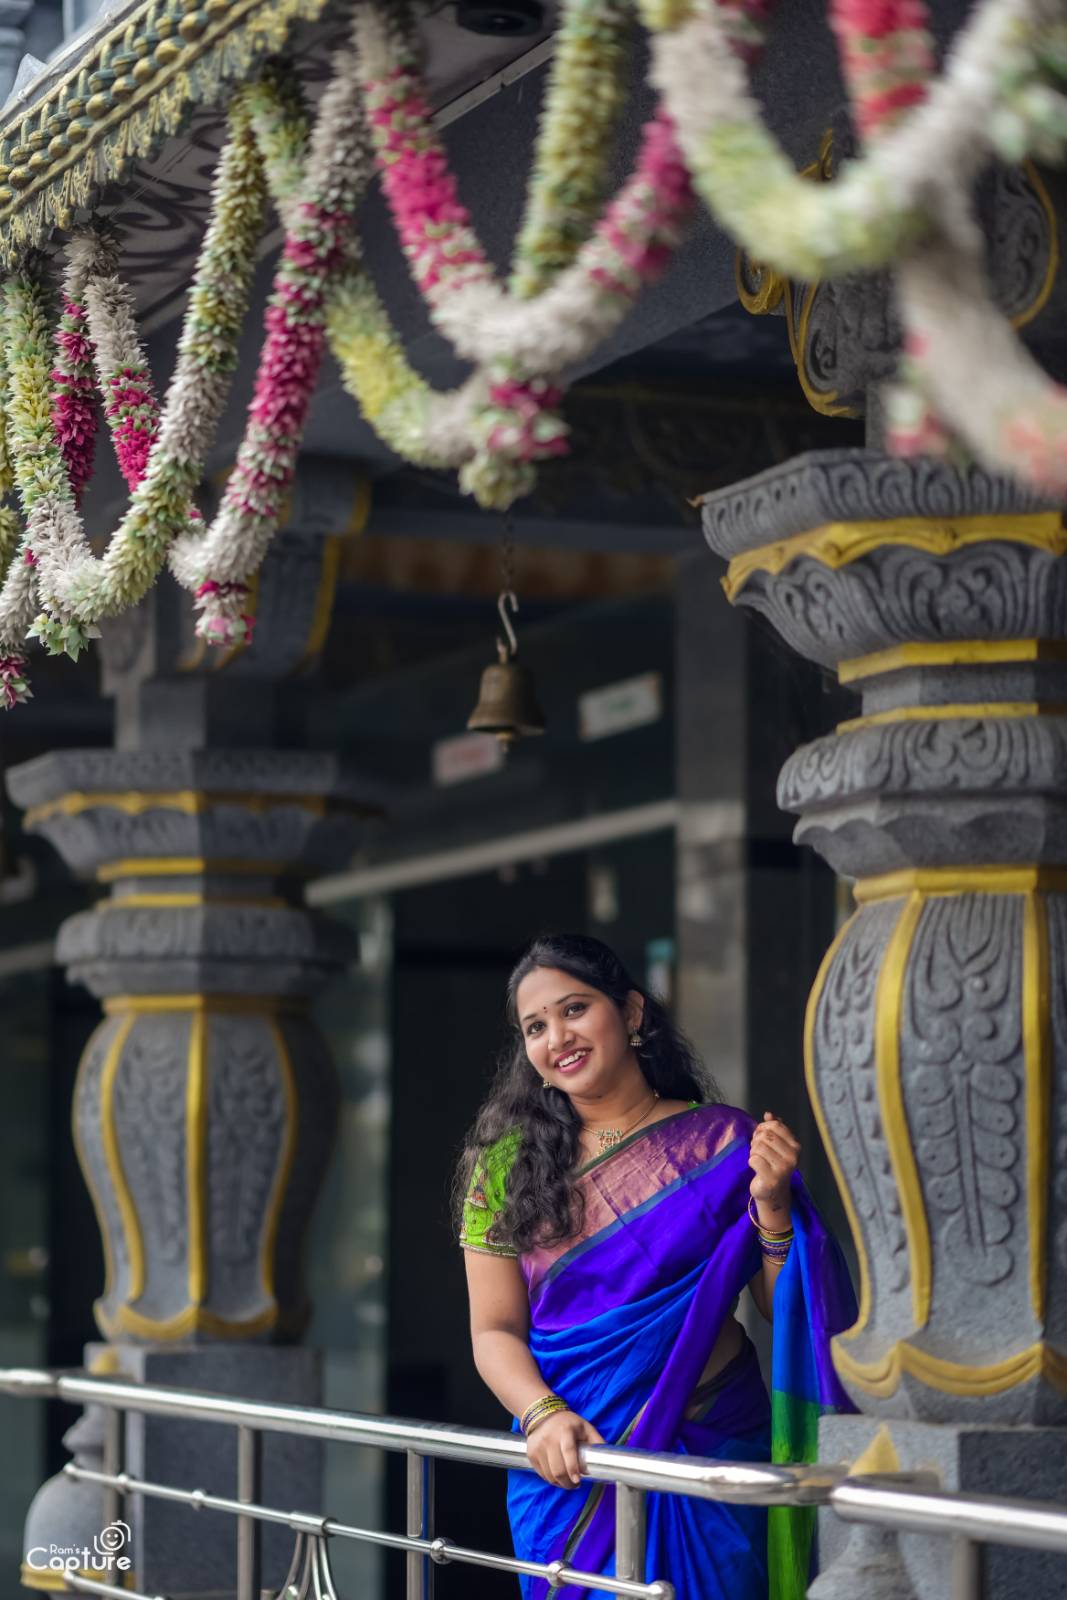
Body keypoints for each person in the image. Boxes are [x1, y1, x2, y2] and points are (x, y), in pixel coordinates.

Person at [456, 933, 856, 1600]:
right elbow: (492, 1330)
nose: (557, 1036)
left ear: (633, 1013)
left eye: (574, 1009)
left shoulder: (722, 1143)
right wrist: (542, 1414)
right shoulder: (504, 1167)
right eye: (535, 1027)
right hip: (573, 1463)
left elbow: (778, 1306)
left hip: (710, 1447)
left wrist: (772, 1206)